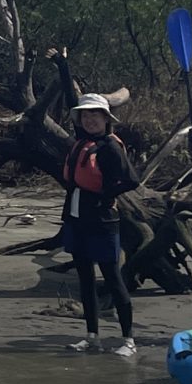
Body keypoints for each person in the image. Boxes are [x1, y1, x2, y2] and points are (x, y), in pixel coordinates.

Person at [59, 94, 140, 357]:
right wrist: (62, 64)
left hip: (102, 221)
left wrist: (105, 196)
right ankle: (92, 336)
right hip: (76, 218)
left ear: (106, 118)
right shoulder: (81, 143)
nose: (90, 119)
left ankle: (128, 340)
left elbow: (131, 180)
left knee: (113, 278)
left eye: (95, 114)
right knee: (85, 278)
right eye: (85, 115)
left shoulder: (110, 147)